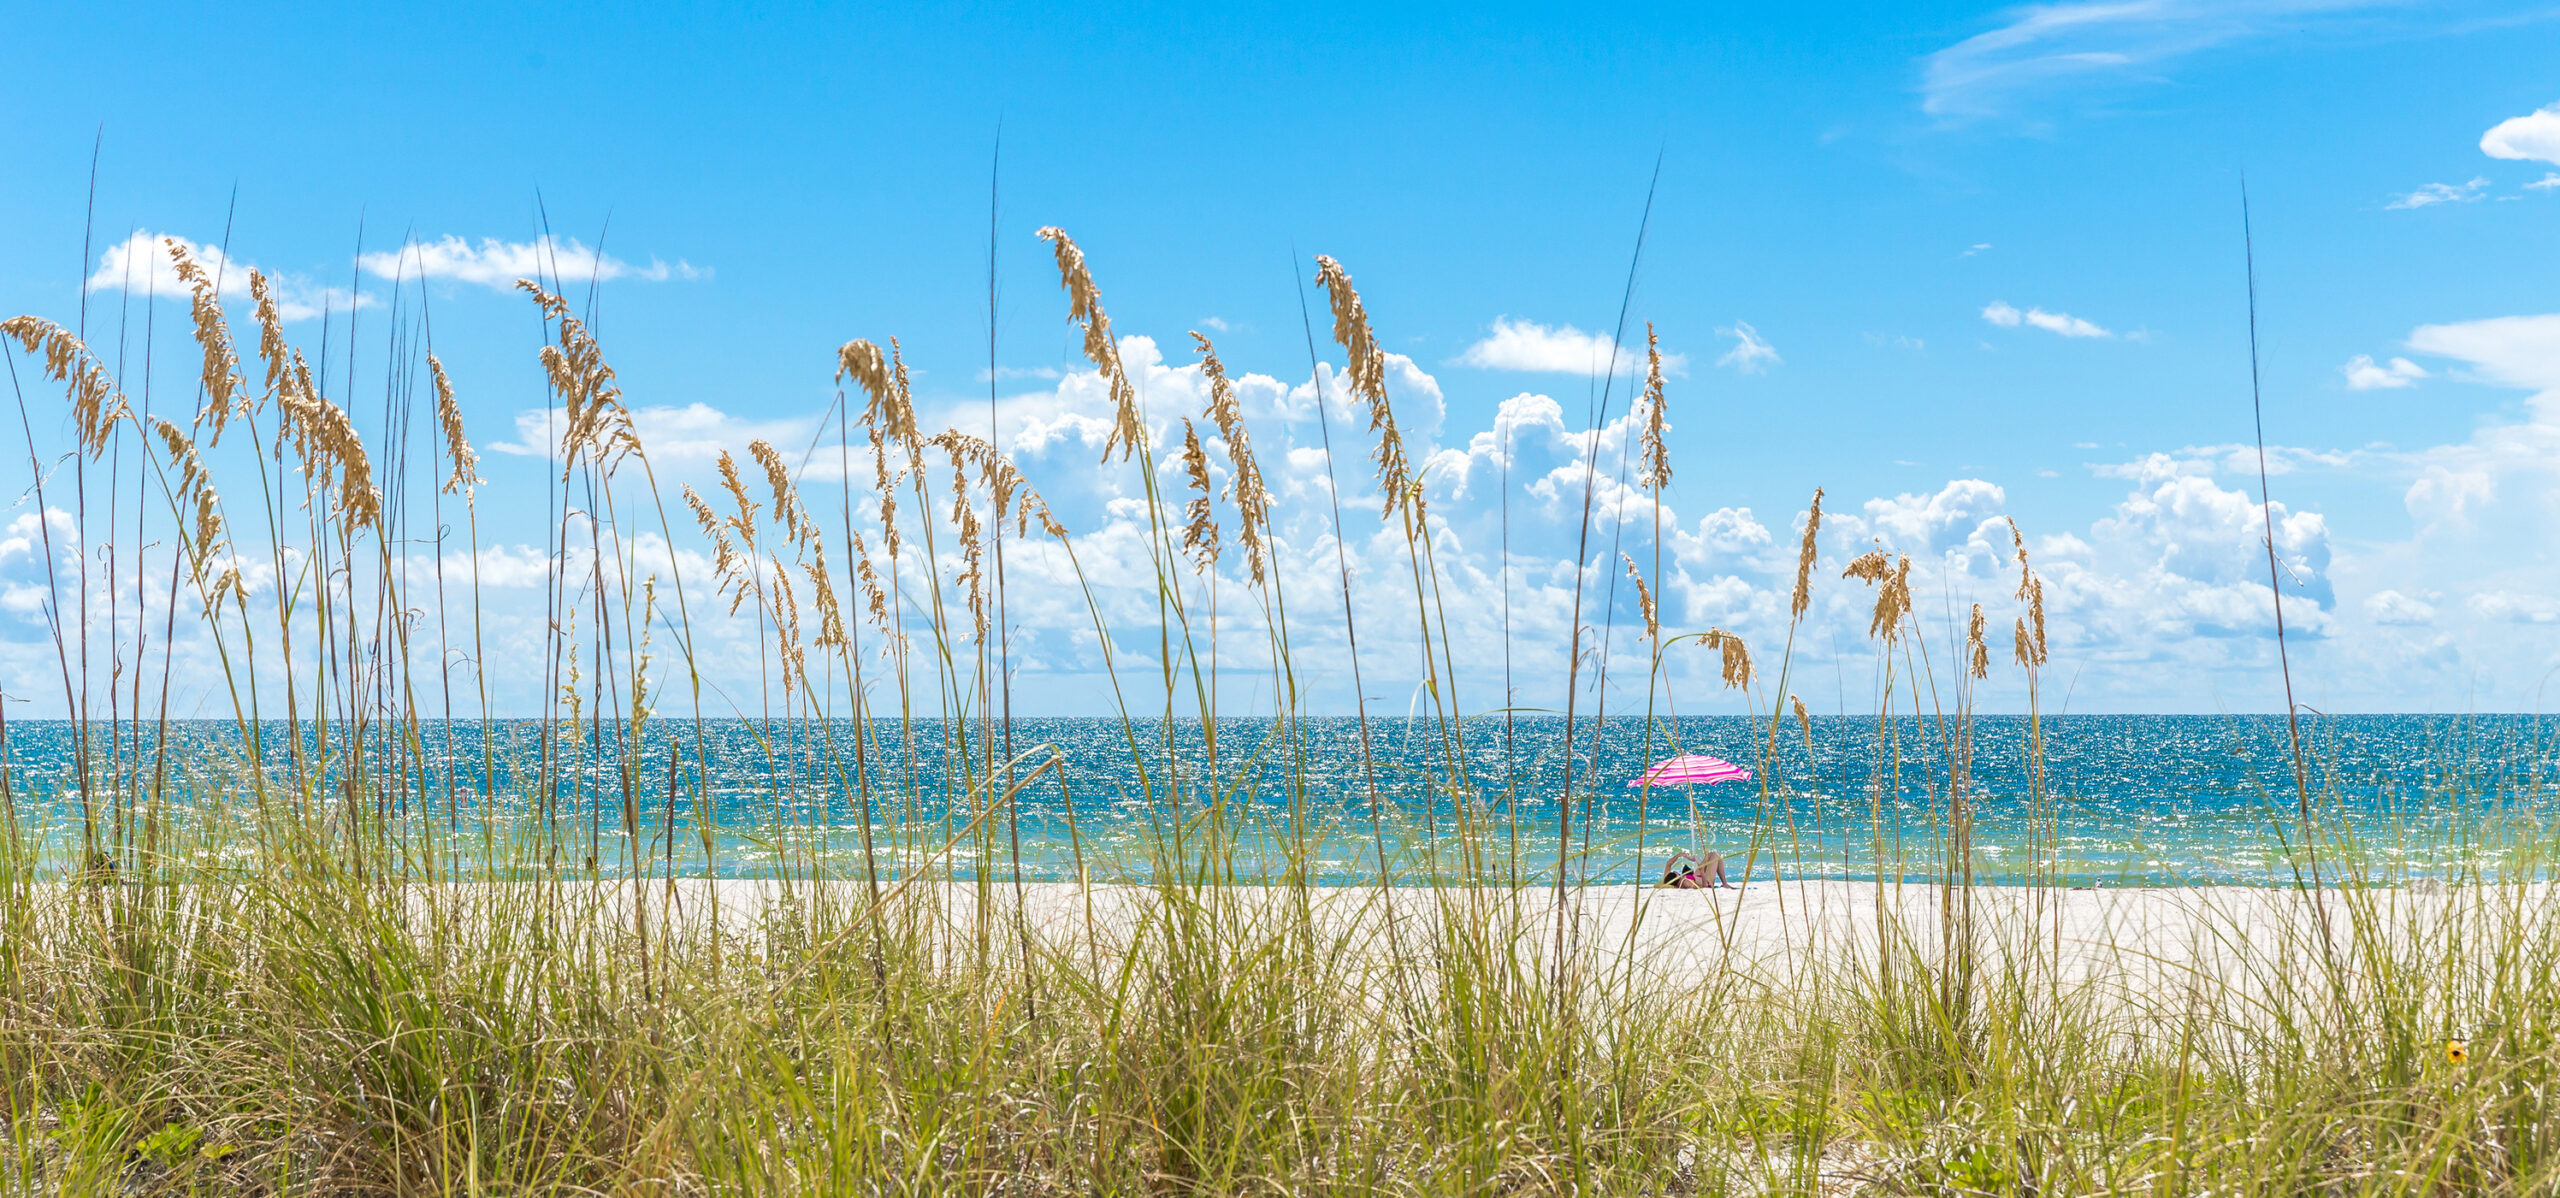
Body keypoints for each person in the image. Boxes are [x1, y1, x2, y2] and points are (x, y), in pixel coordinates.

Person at [1660, 849, 1735, 890]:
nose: (1675, 871)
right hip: (1707, 881)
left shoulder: (1668, 879)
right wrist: (1702, 871)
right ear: (1676, 875)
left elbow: (1668, 863)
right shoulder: (1685, 883)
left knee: (1709, 855)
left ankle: (1694, 858)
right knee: (1715, 855)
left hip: (1697, 876)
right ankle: (1724, 883)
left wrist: (1680, 855)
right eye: (1674, 872)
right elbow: (1704, 886)